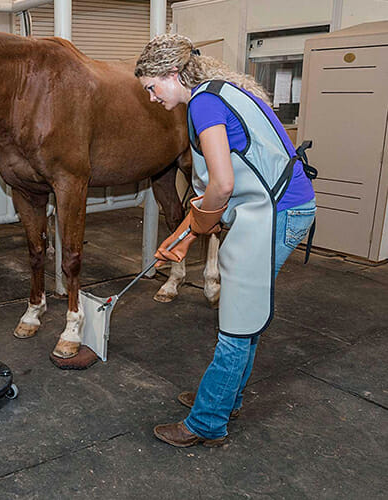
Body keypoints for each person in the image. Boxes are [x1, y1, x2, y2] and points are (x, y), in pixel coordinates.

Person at [134, 34, 316, 447]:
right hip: (282, 208)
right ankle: (222, 396)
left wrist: (192, 230)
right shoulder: (222, 91)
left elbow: (221, 186)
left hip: (276, 213)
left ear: (172, 74)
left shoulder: (202, 103)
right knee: (245, 314)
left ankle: (207, 422)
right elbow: (219, 191)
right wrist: (181, 237)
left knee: (236, 322)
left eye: (152, 87)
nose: (151, 97)